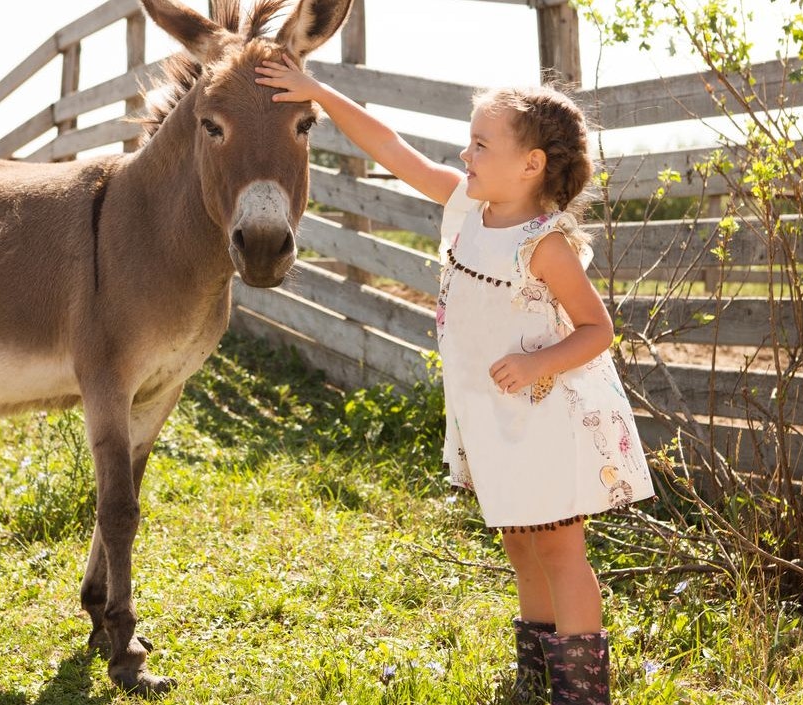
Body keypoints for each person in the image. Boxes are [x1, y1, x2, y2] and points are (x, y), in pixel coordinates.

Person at [256, 56, 655, 703]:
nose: (465, 152)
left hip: (543, 416)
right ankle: (537, 668)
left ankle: (582, 691)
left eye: (480, 143)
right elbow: (390, 146)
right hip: (492, 417)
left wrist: (533, 361)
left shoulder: (543, 244)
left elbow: (596, 329)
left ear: (530, 165)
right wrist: (318, 93)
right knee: (521, 543)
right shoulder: (466, 205)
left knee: (560, 551)